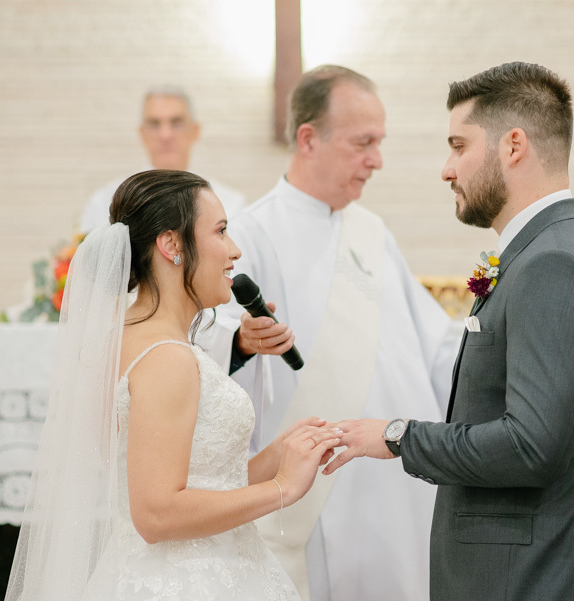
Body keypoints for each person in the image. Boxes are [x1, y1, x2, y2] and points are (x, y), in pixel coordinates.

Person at [324, 62, 574, 600]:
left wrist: (398, 436)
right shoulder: (546, 251)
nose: (447, 169)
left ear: (513, 145)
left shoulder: (554, 263)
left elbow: (531, 445)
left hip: (536, 575)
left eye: (458, 145)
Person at [5, 170, 341, 600]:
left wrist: (277, 457)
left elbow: (197, 482)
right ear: (172, 245)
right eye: (220, 231)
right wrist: (283, 489)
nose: (234, 250)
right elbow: (156, 514)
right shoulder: (168, 358)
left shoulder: (123, 338)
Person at [203, 66, 461, 601]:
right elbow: (211, 340)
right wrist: (242, 340)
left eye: (380, 143)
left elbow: (436, 346)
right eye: (363, 142)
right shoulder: (252, 231)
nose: (377, 160)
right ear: (308, 139)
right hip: (320, 487)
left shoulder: (371, 230)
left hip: (396, 473)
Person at [78, 86, 246, 232]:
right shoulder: (105, 202)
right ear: (142, 133)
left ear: (195, 131)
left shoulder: (230, 204)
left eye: (177, 123)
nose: (165, 135)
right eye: (154, 124)